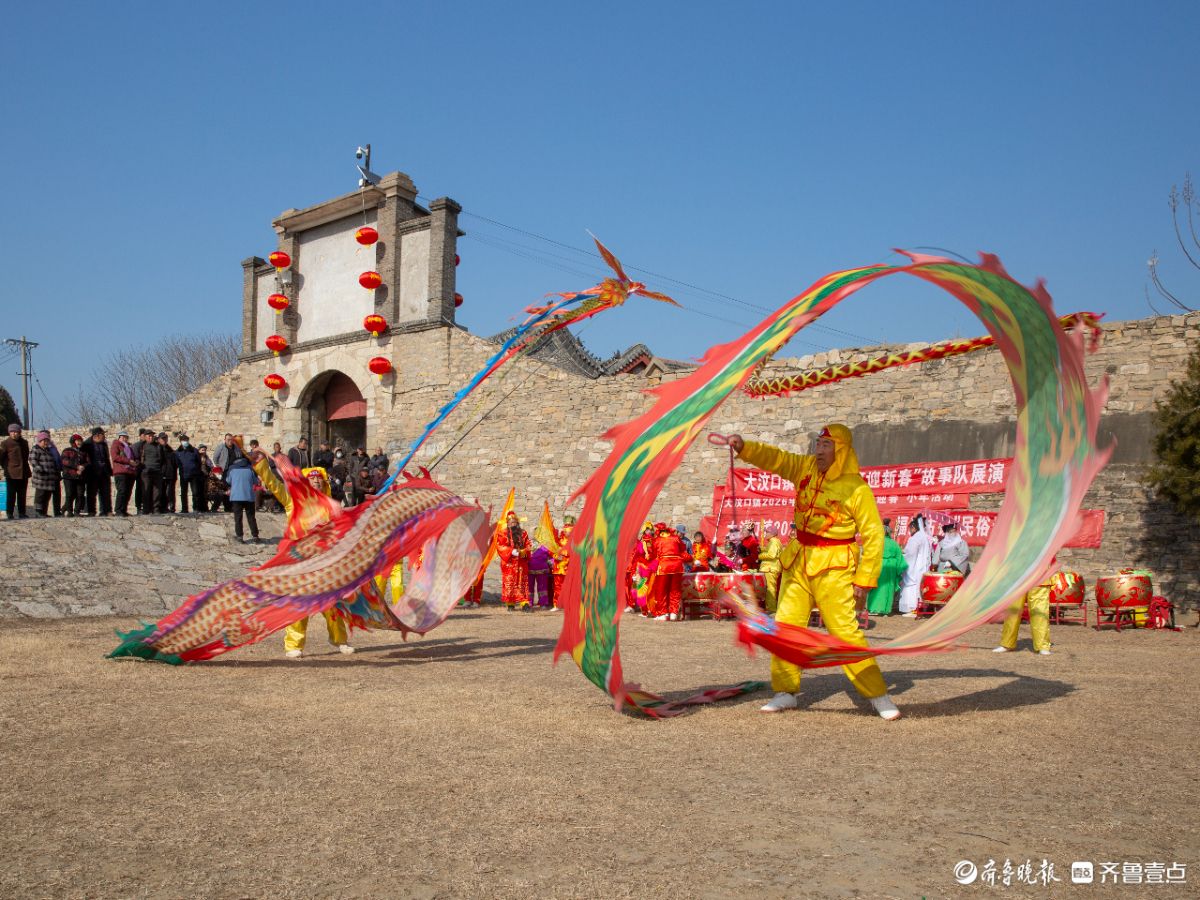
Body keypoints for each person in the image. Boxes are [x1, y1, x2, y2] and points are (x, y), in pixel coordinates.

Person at [730, 425, 901, 720]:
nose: (818, 450)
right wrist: (745, 447)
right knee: (785, 626)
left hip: (834, 566)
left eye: (825, 445)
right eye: (818, 444)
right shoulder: (805, 468)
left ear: (841, 450)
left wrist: (864, 578)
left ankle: (877, 694)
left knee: (845, 631)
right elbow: (778, 459)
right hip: (798, 561)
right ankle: (785, 691)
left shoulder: (856, 488)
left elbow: (873, 534)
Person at [995, 561, 1054, 656]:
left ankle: (1043, 646)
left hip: (1040, 574)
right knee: (1012, 612)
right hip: (1017, 575)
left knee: (1039, 612)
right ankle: (1007, 643)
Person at [866, 519, 906, 616]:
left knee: (876, 587)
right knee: (888, 588)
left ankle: (874, 608)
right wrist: (898, 567)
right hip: (891, 567)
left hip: (879, 565)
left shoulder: (876, 542)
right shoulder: (894, 544)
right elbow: (900, 558)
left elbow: (869, 554)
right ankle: (886, 610)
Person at [650, 521, 688, 621]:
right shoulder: (676, 538)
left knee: (661, 590)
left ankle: (663, 614)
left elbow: (653, 555)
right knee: (675, 590)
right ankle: (673, 614)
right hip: (677, 567)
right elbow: (683, 552)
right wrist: (691, 560)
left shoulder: (657, 540)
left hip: (664, 567)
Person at [898, 514, 933, 617]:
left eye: (910, 528)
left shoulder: (916, 538)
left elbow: (910, 553)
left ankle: (912, 607)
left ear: (913, 527)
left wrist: (903, 554)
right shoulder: (925, 537)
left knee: (911, 585)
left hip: (915, 566)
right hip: (922, 566)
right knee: (919, 586)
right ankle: (919, 607)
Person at [497, 511, 531, 608]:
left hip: (521, 563)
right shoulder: (502, 533)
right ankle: (510, 603)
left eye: (514, 522)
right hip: (509, 563)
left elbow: (528, 544)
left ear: (517, 523)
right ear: (507, 523)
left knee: (522, 582)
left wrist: (525, 551)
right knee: (510, 582)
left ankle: (524, 603)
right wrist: (512, 551)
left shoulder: (523, 533)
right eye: (511, 523)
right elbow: (500, 546)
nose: (513, 524)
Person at [224, 457, 261, 544]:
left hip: (236, 497)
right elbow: (256, 481)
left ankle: (240, 537)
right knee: (251, 517)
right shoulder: (250, 469)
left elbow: (228, 481)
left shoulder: (232, 469)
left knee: (238, 518)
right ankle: (255, 536)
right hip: (248, 496)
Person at [2, 423, 31, 520]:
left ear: (19, 433)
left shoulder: (24, 443)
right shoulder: (6, 443)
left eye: (16, 432)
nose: (14, 434)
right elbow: (1, 458)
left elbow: (26, 456)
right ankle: (10, 513)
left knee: (22, 494)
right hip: (12, 473)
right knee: (11, 494)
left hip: (23, 472)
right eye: (12, 432)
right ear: (9, 433)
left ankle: (22, 513)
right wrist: (7, 467)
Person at [29, 430, 61, 517]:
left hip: (49, 478)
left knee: (47, 496)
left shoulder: (48, 450)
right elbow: (32, 460)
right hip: (40, 478)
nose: (46, 442)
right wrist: (40, 469)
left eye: (47, 440)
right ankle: (38, 512)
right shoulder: (36, 449)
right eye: (44, 441)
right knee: (40, 496)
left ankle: (44, 512)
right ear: (40, 441)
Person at [627, 522, 657, 613]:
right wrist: (635, 570)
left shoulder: (655, 540)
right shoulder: (641, 543)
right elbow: (637, 556)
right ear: (644, 531)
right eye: (647, 530)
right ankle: (644, 609)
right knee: (638, 588)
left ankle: (650, 608)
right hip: (642, 568)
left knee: (650, 588)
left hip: (651, 567)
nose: (649, 531)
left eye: (650, 530)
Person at [82, 427, 113, 516]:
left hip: (104, 471)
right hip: (92, 472)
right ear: (97, 435)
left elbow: (106, 458)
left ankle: (106, 510)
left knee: (106, 492)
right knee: (91, 493)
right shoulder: (87, 444)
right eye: (103, 434)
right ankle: (91, 511)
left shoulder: (103, 444)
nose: (104, 436)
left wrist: (109, 470)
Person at [139, 429, 169, 514]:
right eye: (149, 436)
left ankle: (156, 508)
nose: (151, 437)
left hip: (157, 471)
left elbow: (163, 459)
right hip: (146, 471)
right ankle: (146, 509)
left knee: (157, 491)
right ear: (145, 437)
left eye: (152, 436)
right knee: (146, 490)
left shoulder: (158, 446)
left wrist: (162, 470)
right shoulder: (142, 446)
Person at [174, 434, 206, 514]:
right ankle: (184, 509)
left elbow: (199, 462)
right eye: (184, 441)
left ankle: (196, 508)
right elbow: (177, 463)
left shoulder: (194, 451)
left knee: (195, 492)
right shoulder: (178, 452)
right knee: (183, 492)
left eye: (187, 440)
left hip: (194, 475)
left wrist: (197, 470)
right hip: (183, 475)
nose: (185, 442)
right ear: (181, 442)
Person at [110, 430, 138, 516]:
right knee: (122, 491)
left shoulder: (129, 447)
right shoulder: (116, 445)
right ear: (119, 437)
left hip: (130, 472)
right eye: (123, 437)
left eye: (126, 437)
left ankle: (123, 509)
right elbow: (115, 457)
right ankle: (118, 510)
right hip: (120, 471)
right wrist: (128, 461)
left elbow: (134, 457)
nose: (124, 439)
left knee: (128, 492)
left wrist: (136, 462)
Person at [551, 514, 575, 609]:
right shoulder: (559, 540)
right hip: (558, 567)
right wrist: (556, 556)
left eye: (569, 530)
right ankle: (557, 604)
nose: (567, 532)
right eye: (565, 530)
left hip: (570, 567)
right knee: (557, 586)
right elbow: (552, 550)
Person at [59, 434, 87, 516]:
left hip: (80, 476)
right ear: (73, 442)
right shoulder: (67, 450)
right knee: (70, 494)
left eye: (80, 441)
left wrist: (83, 467)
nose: (79, 442)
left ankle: (77, 511)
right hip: (69, 476)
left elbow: (88, 462)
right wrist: (76, 467)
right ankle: (69, 511)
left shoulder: (83, 452)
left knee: (80, 494)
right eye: (77, 441)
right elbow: (64, 461)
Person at [759, 524, 784, 614]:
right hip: (770, 568)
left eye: (767, 532)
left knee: (771, 589)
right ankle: (770, 608)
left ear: (772, 534)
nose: (765, 534)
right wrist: (763, 549)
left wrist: (761, 555)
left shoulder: (773, 541)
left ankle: (771, 609)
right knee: (770, 589)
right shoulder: (774, 542)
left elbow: (771, 555)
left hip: (770, 568)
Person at [528, 542, 553, 609]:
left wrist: (552, 564)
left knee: (543, 587)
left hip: (543, 570)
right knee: (529, 587)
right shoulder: (528, 543)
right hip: (529, 570)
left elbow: (551, 557)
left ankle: (543, 603)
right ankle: (529, 602)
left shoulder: (546, 545)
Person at [158, 433, 179, 512]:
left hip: (171, 474)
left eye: (165, 438)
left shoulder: (170, 450)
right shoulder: (157, 448)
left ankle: (171, 507)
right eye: (162, 439)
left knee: (170, 492)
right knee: (162, 491)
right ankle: (162, 507)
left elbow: (175, 462)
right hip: (161, 474)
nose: (164, 440)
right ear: (159, 439)